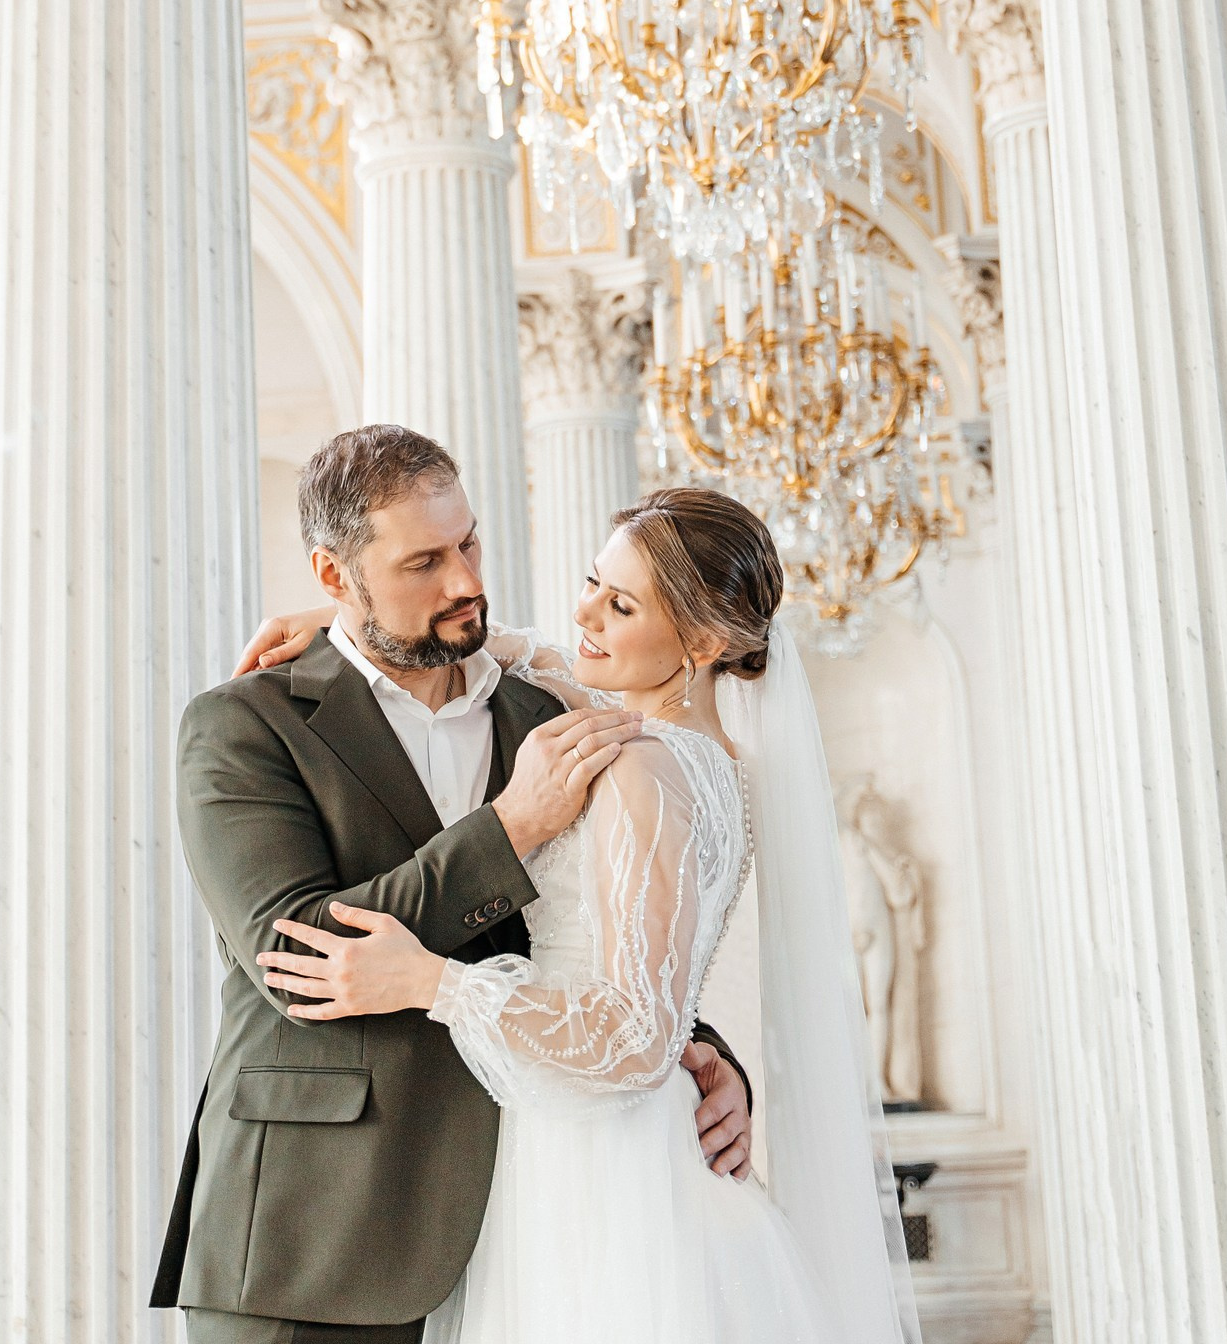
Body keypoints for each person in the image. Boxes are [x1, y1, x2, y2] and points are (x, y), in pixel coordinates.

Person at [246, 481, 921, 1344]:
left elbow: (638, 1035)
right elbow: (531, 653)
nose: (586, 613)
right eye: (593, 582)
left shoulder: (641, 765)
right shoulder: (694, 753)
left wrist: (434, 982)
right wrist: (345, 615)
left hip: (597, 1164)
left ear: (705, 641)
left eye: (621, 603)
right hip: (608, 1138)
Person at [150, 424, 754, 1344]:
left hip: (531, 1228)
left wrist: (697, 1048)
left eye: (468, 542)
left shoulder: (554, 712)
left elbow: (601, 925)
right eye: (423, 562)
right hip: (316, 1238)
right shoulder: (245, 725)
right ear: (333, 576)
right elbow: (294, 952)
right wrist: (513, 827)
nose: (466, 581)